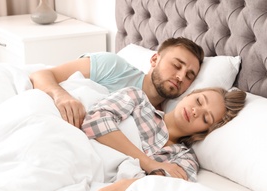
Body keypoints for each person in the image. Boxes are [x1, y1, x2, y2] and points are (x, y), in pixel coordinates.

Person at [81, 86, 247, 191]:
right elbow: (94, 122)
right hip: (80, 153)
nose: (196, 111)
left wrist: (124, 186)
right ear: (190, 94)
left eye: (205, 118)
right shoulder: (137, 99)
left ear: (203, 132)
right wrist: (149, 163)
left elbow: (165, 187)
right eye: (198, 101)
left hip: (99, 188)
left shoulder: (184, 160)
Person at [29, 37, 204, 128]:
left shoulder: (162, 120)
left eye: (189, 76)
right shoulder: (113, 66)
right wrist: (61, 96)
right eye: (176, 65)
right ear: (154, 59)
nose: (181, 77)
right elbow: (41, 75)